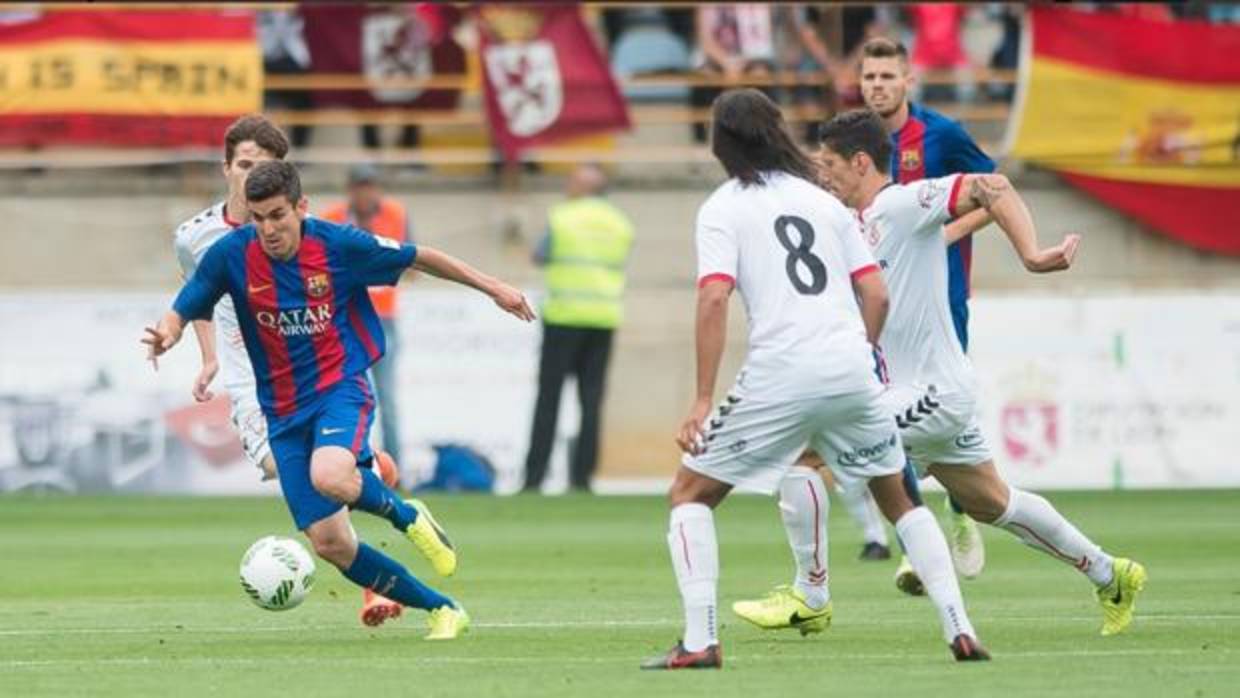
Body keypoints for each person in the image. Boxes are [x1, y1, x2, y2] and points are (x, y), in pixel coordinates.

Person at [641, 89, 985, 670]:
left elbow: (714, 297)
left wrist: (702, 399)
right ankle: (960, 628)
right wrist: (860, 354)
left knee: (689, 494)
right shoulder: (823, 201)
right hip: (850, 364)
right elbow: (875, 291)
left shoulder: (723, 207)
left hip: (782, 368)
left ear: (721, 142)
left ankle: (700, 641)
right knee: (900, 500)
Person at [146, 160, 536, 640]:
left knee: (329, 475)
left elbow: (420, 256)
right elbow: (189, 301)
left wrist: (493, 287)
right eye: (257, 218)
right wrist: (168, 330)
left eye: (277, 215)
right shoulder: (232, 254)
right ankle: (443, 608)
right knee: (330, 543)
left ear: (301, 208)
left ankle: (408, 516)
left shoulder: (338, 245)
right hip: (282, 414)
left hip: (339, 388)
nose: (267, 229)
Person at [806, 109, 1144, 638]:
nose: (822, 173)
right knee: (994, 502)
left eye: (829, 163)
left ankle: (810, 593)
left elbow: (994, 185)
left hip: (930, 394)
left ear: (861, 162)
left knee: (814, 449)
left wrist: (1032, 255)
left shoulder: (900, 203)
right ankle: (1110, 573)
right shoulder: (859, 226)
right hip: (932, 391)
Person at [174, 116, 405, 629]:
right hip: (246, 386)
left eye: (262, 165)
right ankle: (374, 472)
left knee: (318, 483)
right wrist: (209, 356)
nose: (249, 173)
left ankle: (372, 587)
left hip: (304, 380)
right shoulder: (194, 238)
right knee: (295, 474)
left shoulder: (297, 230)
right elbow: (199, 300)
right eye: (242, 164)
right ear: (226, 167)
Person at [522, 164, 634, 493]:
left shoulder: (563, 217)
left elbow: (540, 254)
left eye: (572, 182)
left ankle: (534, 478)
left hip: (564, 316)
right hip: (603, 318)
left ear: (584, 188)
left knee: (549, 399)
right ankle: (582, 478)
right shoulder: (620, 223)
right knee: (591, 401)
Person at [321, 164, 411, 467]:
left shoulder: (395, 214)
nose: (366, 193)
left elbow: (405, 259)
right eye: (360, 187)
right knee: (345, 394)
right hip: (343, 318)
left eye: (370, 186)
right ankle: (349, 464)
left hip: (383, 318)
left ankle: (393, 469)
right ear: (351, 190)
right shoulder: (333, 218)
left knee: (387, 397)